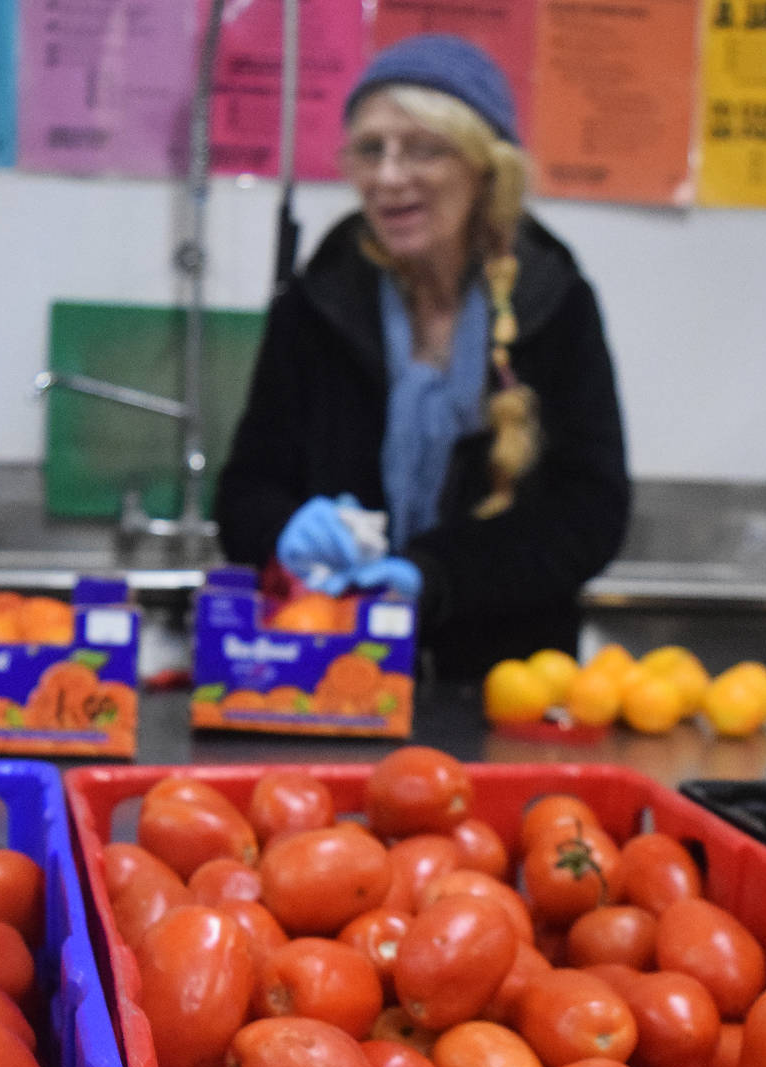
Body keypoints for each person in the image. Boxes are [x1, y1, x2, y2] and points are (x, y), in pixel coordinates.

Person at [214, 34, 631, 681]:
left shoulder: (554, 304)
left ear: (484, 169)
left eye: (424, 150)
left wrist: (435, 576)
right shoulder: (318, 301)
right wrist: (284, 531)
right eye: (370, 150)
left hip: (501, 684)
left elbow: (587, 516)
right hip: (331, 672)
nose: (388, 177)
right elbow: (245, 491)